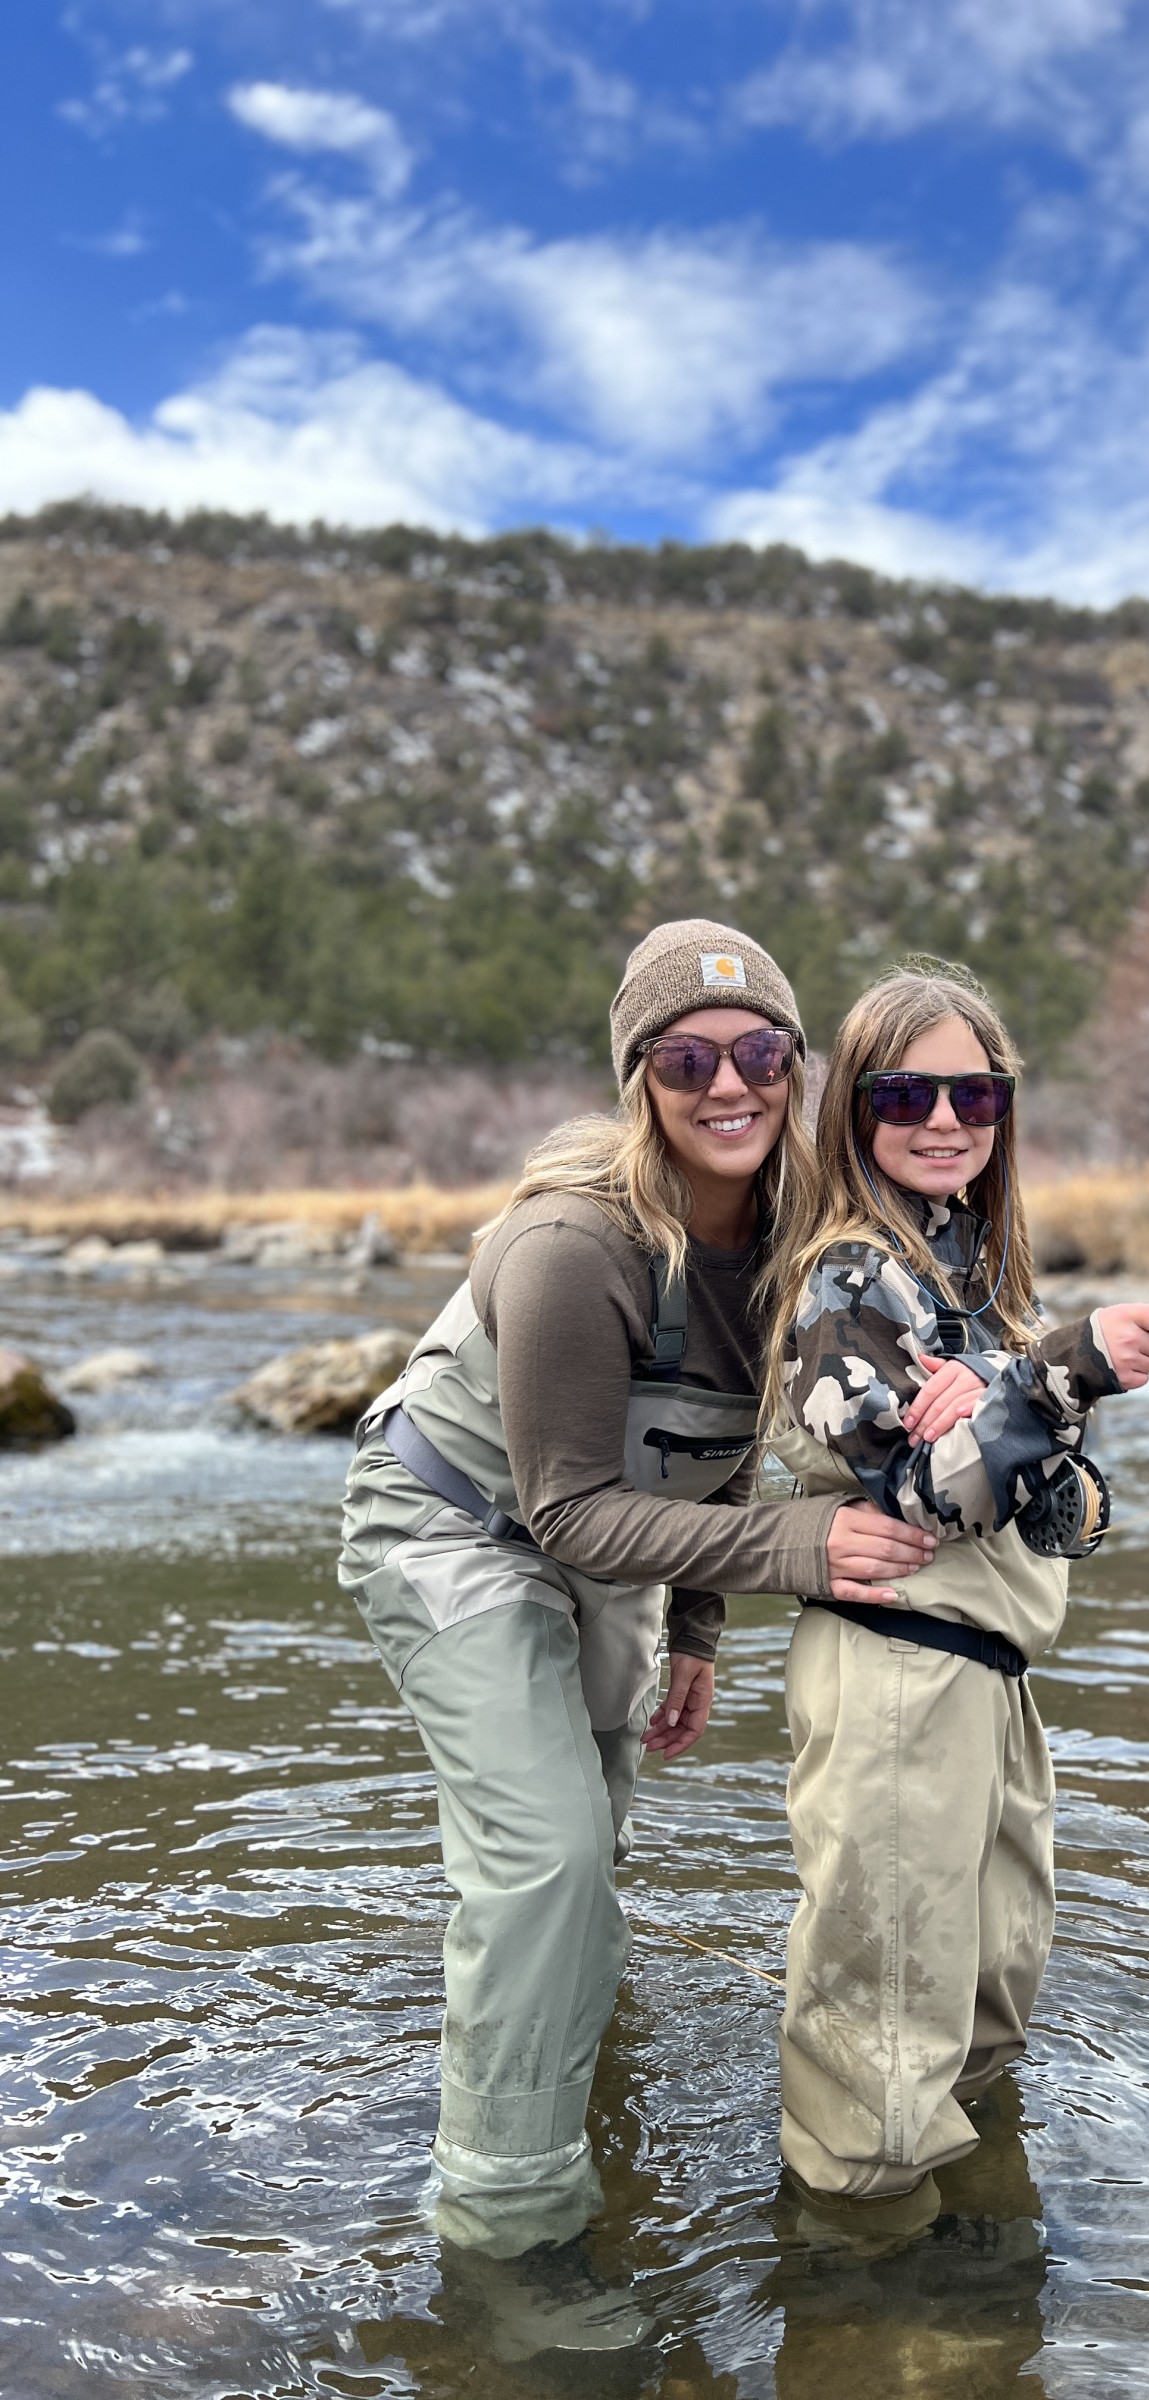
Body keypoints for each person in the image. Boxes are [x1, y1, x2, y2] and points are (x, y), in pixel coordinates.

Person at [336, 919, 938, 2276]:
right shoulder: (572, 1246)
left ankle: (575, 2092)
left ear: (798, 1068)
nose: (729, 1085)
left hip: (610, 1543)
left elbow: (711, 1450)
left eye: (760, 1053)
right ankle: (508, 2235)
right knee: (545, 1856)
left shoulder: (802, 1238)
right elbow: (564, 1510)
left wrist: (699, 1630)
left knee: (588, 1843)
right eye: (686, 1059)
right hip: (454, 1522)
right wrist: (806, 1547)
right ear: (639, 1081)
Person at [764, 959, 1149, 2214]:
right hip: (895, 1677)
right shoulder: (847, 1279)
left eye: (975, 1094)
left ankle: (964, 2264)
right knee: (879, 2064)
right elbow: (906, 1502)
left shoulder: (979, 1289)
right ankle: (862, 2312)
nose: (944, 1119)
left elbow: (1065, 1516)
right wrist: (1057, 1379)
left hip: (995, 1685)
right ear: (855, 1111)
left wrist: (1014, 1398)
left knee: (991, 2006)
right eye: (906, 1091)